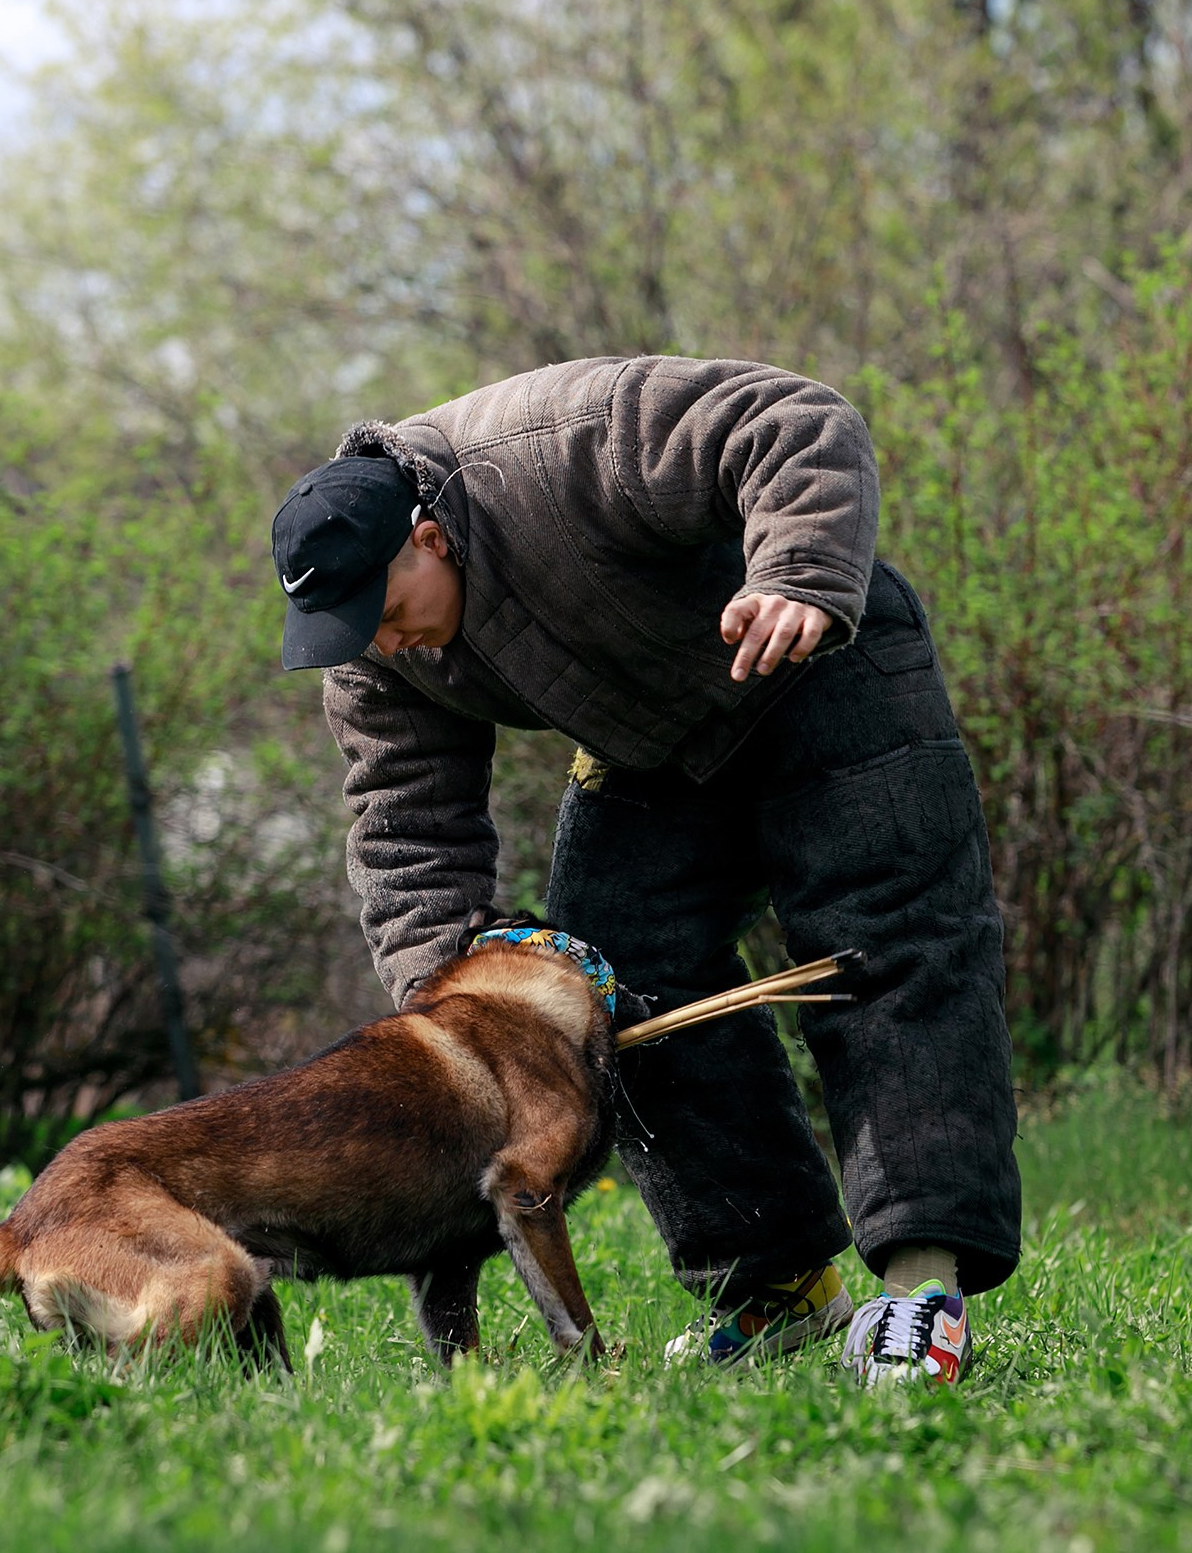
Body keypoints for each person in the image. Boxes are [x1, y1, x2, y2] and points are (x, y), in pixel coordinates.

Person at [271, 355, 1020, 1385]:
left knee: (886, 943)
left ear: (428, 538)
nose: (382, 643)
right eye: (354, 632)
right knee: (611, 983)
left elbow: (791, 418)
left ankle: (919, 1295)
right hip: (659, 738)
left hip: (820, 663)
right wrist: (456, 1002)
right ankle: (780, 1290)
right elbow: (406, 830)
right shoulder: (374, 655)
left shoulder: (558, 443)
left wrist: (796, 575)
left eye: (385, 611)